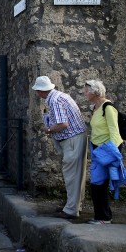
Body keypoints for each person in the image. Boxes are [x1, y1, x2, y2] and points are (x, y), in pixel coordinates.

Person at [32, 76, 87, 219]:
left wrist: (49, 130)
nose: (37, 94)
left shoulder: (55, 101)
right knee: (77, 174)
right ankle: (74, 205)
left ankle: (71, 210)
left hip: (72, 139)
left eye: (37, 91)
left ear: (41, 91)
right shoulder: (60, 96)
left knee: (72, 175)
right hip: (76, 137)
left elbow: (63, 124)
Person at [83, 79, 126, 225]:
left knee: (100, 183)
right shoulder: (96, 108)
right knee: (97, 183)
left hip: (106, 151)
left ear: (94, 92)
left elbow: (114, 132)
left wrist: (113, 155)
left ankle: (104, 218)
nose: (84, 93)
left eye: (86, 90)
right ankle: (101, 215)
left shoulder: (107, 107)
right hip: (97, 149)